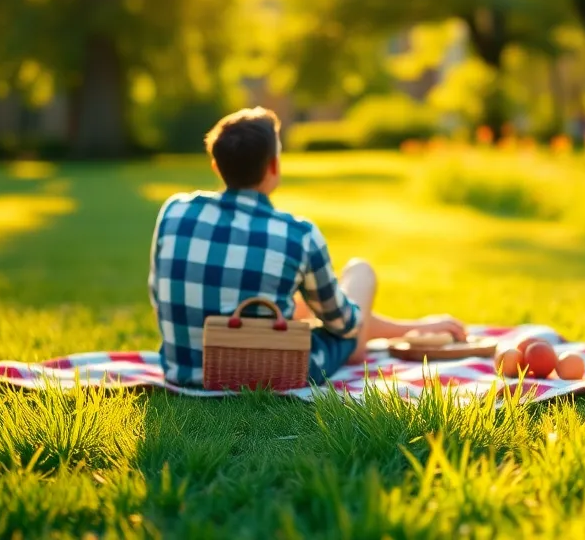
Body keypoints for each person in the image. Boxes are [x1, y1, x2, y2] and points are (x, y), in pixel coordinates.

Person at [148, 107, 466, 386]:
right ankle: (393, 335)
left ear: (217, 166)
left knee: (297, 305)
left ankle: (406, 329)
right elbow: (343, 323)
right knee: (360, 273)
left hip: (183, 370)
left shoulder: (174, 210)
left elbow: (158, 295)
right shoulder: (297, 233)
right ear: (273, 167)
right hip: (271, 375)